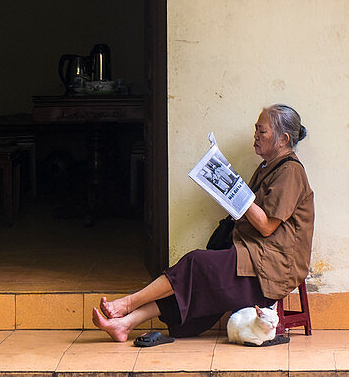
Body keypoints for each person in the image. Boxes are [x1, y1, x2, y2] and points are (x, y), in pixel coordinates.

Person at [92, 103, 314, 344]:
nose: (256, 136)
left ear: (283, 139)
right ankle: (124, 325)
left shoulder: (291, 171)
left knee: (195, 263)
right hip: (253, 254)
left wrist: (237, 190)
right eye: (256, 130)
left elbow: (267, 226)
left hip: (273, 265)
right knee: (194, 280)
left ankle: (128, 303)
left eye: (262, 131)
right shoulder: (267, 167)